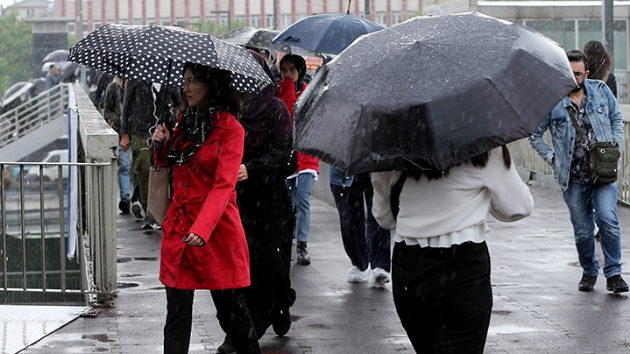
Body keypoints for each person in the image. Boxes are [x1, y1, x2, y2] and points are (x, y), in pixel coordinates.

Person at [371, 146, 534, 353]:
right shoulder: (483, 146)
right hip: (463, 270)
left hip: (410, 270)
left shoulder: (393, 146)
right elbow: (519, 206)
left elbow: (384, 217)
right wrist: (483, 198)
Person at [151, 62, 261, 354]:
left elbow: (224, 185)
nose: (185, 88)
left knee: (230, 314)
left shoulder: (230, 129)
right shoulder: (182, 123)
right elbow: (172, 171)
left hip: (216, 231)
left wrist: (202, 228)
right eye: (184, 81)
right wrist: (160, 146)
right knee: (176, 313)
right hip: (179, 226)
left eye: (192, 82)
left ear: (212, 85)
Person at [529, 49, 628, 293]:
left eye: (578, 73)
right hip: (572, 179)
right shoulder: (552, 100)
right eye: (569, 73)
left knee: (608, 220)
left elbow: (617, 118)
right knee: (583, 231)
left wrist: (615, 144)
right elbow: (535, 135)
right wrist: (553, 158)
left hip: (603, 173)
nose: (574, 78)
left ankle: (614, 274)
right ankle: (589, 270)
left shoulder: (601, 92)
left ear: (587, 73)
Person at [218, 50, 296, 354]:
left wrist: (252, 168)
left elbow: (283, 153)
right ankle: (242, 332)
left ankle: (282, 302)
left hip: (271, 198)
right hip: (239, 201)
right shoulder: (229, 112)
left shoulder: (275, 109)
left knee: (274, 263)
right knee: (245, 264)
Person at [276, 54, 320, 266]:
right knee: (290, 201)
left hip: (306, 155)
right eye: (284, 70)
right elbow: (282, 115)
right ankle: (290, 238)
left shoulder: (309, 92)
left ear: (300, 70)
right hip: (288, 157)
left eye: (292, 70)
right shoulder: (280, 90)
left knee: (303, 199)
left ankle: (302, 244)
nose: (288, 74)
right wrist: (286, 88)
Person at [121, 79, 181, 229]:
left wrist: (176, 119)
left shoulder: (169, 78)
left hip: (162, 130)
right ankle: (149, 212)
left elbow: (178, 102)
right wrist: (125, 133)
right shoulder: (136, 78)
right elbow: (127, 106)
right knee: (143, 169)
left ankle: (161, 209)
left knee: (161, 171)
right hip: (140, 130)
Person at [329, 166, 391, 287]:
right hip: (344, 168)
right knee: (349, 220)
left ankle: (379, 265)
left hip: (375, 163)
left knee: (378, 214)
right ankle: (358, 262)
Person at [103, 76, 131, 214]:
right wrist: (117, 120)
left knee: (136, 166)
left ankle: (135, 196)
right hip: (120, 133)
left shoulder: (135, 85)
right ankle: (125, 198)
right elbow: (107, 110)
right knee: (124, 165)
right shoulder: (112, 88)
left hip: (136, 131)